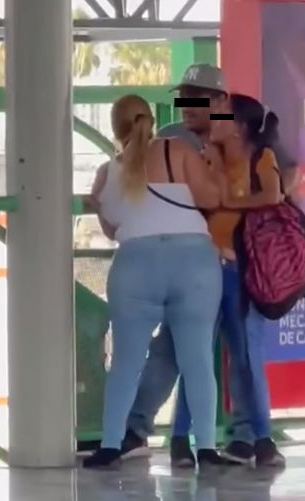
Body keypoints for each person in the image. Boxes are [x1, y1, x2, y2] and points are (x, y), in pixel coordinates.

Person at [119, 64, 296, 467]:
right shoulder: (169, 139)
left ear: (220, 102)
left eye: (198, 99)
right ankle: (139, 432)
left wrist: (245, 208)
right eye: (183, 98)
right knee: (174, 351)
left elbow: (285, 179)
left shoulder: (243, 134)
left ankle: (248, 438)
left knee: (241, 352)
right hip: (189, 266)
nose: (187, 107)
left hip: (239, 265)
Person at [83, 95, 226, 469]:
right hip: (194, 263)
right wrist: (210, 168)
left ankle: (112, 444)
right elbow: (212, 197)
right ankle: (207, 447)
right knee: (196, 360)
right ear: (149, 118)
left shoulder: (107, 171)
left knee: (127, 362)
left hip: (135, 266)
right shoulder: (176, 150)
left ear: (116, 128)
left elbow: (112, 230)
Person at [172, 93, 287, 467]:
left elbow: (273, 194)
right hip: (206, 266)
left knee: (248, 357)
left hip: (242, 270)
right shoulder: (206, 158)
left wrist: (232, 203)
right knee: (197, 354)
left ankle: (262, 437)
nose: (211, 121)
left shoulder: (261, 158)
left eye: (220, 117)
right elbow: (207, 200)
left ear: (238, 128)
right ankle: (181, 439)